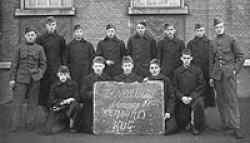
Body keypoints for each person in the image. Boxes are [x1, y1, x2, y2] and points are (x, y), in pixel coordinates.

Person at [209, 17, 245, 139]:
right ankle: (226, 124)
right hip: (217, 75)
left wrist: (235, 69)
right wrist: (211, 76)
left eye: (220, 27)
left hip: (229, 75)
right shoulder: (212, 42)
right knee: (221, 101)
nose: (219, 29)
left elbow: (240, 56)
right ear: (214, 29)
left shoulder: (231, 39)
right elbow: (211, 60)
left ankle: (236, 127)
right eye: (216, 28)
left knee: (232, 100)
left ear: (223, 27)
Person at [9, 26, 47, 131]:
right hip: (21, 79)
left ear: (35, 36)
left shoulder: (40, 48)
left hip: (35, 80)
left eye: (32, 35)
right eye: (29, 35)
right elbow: (14, 64)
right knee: (18, 103)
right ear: (25, 36)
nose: (31, 37)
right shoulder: (19, 48)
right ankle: (14, 125)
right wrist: (12, 79)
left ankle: (30, 125)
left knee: (33, 103)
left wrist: (40, 74)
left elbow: (43, 64)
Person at [173, 49, 206, 135]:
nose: (186, 60)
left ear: (191, 58)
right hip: (182, 98)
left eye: (188, 58)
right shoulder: (177, 72)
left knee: (199, 103)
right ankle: (185, 122)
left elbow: (202, 86)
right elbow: (174, 87)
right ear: (181, 58)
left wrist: (192, 97)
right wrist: (181, 97)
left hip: (194, 97)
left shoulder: (197, 70)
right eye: (184, 58)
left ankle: (194, 125)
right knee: (181, 122)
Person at [36, 16, 66, 108]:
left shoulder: (60, 39)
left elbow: (63, 54)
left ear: (56, 26)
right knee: (45, 89)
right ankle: (44, 110)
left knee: (56, 88)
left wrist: (63, 68)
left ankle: (56, 107)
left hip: (56, 68)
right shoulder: (41, 39)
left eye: (53, 25)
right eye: (49, 25)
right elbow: (38, 55)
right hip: (45, 69)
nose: (51, 27)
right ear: (46, 26)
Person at [144, 59, 177, 135]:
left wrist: (169, 112)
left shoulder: (166, 80)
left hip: (164, 109)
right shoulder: (147, 80)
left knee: (172, 128)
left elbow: (172, 97)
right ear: (149, 70)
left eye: (156, 68)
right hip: (151, 109)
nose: (154, 70)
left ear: (159, 69)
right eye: (152, 68)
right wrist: (143, 84)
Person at [45, 66, 81, 134]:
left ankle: (73, 126)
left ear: (68, 75)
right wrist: (62, 102)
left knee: (76, 105)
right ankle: (63, 123)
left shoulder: (74, 84)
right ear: (58, 75)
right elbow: (50, 100)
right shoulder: (54, 86)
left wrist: (71, 99)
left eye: (65, 75)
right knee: (48, 130)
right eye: (61, 75)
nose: (63, 77)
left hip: (70, 108)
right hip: (59, 107)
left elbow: (78, 97)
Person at [80, 56, 111, 133]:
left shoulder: (108, 78)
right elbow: (83, 94)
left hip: (104, 105)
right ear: (93, 67)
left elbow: (111, 94)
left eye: (100, 66)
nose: (98, 68)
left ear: (103, 66)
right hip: (90, 105)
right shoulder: (87, 79)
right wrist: (95, 94)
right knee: (87, 128)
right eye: (96, 66)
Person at [187, 24, 215, 107]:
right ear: (195, 32)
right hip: (195, 73)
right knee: (196, 93)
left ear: (204, 31)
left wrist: (211, 75)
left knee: (208, 94)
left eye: (201, 30)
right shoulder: (191, 44)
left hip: (207, 72)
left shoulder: (209, 43)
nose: (200, 33)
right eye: (198, 31)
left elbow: (212, 59)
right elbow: (189, 59)